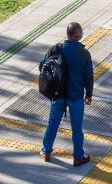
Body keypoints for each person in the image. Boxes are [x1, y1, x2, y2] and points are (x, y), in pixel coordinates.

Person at [40, 21, 94, 167]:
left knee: (53, 123)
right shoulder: (84, 54)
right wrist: (88, 94)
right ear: (79, 35)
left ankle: (46, 151)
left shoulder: (56, 48)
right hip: (76, 96)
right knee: (77, 127)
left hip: (58, 95)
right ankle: (78, 157)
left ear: (68, 34)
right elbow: (88, 76)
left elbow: (42, 66)